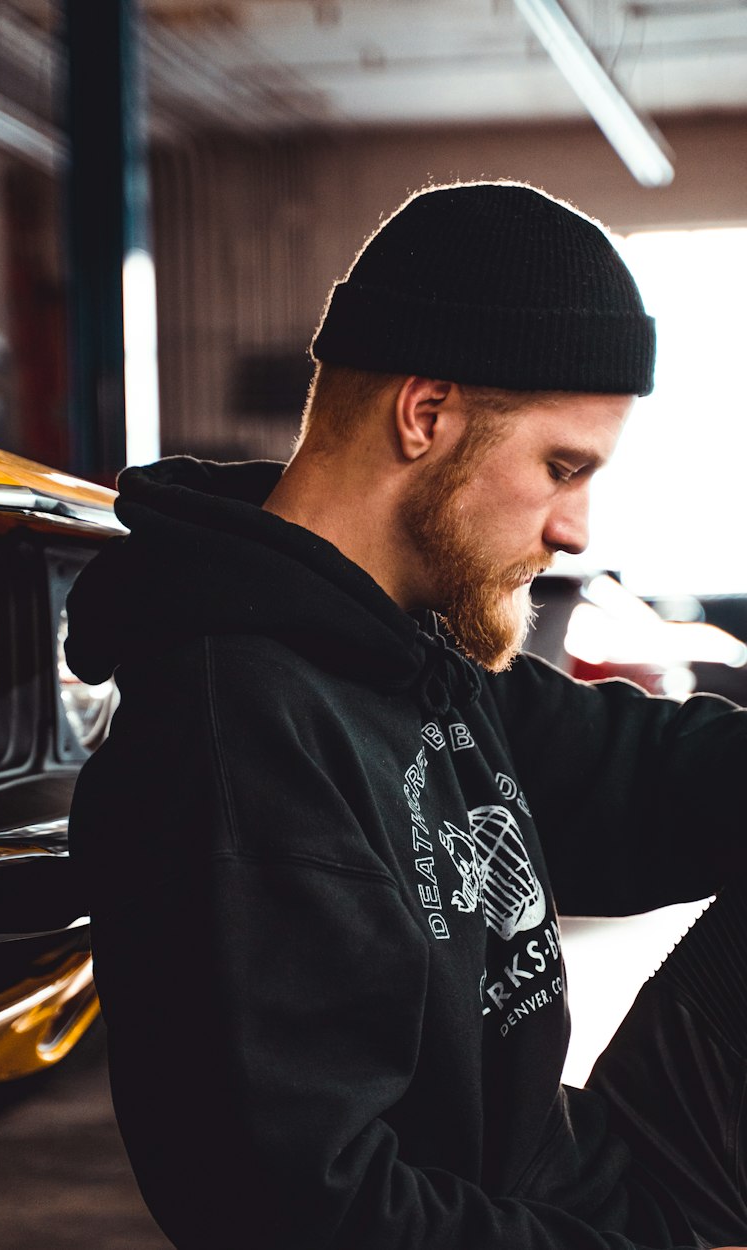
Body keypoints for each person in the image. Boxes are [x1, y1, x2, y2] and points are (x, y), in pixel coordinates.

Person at [66, 181, 747, 1250]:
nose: (574, 529)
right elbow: (308, 1213)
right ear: (425, 414)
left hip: (584, 1179)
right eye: (560, 468)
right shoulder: (232, 739)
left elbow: (636, 778)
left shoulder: (405, 644)